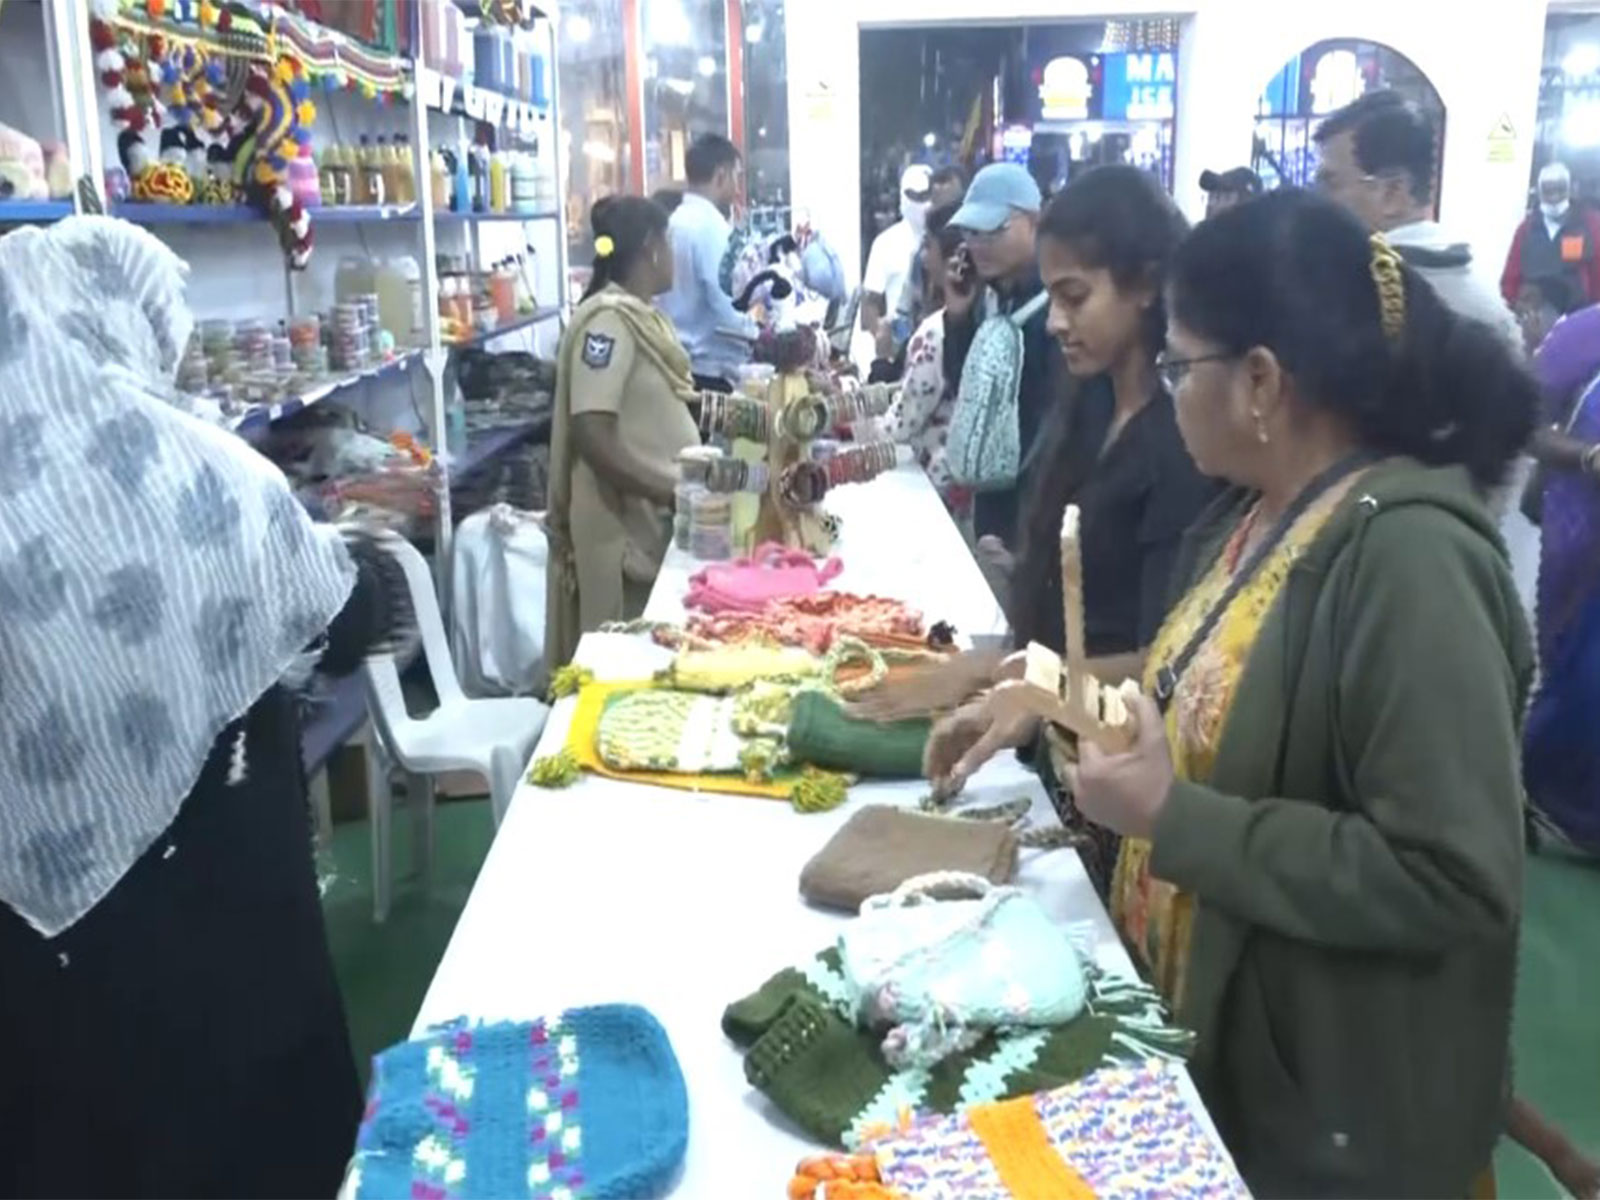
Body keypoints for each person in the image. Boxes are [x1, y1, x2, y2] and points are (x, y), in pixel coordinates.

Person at [1064, 190, 1535, 1197]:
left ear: (1261, 381)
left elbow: (1450, 875)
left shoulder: (1407, 557)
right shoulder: (1260, 517)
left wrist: (1170, 816)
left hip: (1323, 1122)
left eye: (1182, 365)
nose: (1171, 389)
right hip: (1216, 1053)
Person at [0, 216, 410, 1195]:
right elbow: (348, 618)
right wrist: (357, 550)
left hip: (42, 977)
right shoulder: (196, 470)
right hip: (225, 932)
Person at [859, 167, 1216, 891]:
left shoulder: (1177, 447)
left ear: (1145, 286)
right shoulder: (1085, 411)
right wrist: (999, 666)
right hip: (1053, 754)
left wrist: (1013, 674)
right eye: (1051, 297)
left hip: (1115, 781)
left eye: (1074, 297)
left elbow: (1160, 662)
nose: (1054, 321)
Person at [546, 196, 701, 670]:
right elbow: (592, 430)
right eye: (669, 243)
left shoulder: (640, 315)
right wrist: (668, 491)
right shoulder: (609, 323)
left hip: (650, 519)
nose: (673, 255)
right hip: (621, 529)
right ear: (653, 248)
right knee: (622, 666)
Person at [1315, 89, 1522, 352]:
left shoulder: (1369, 298)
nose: (1319, 200)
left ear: (1392, 193)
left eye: (1331, 183)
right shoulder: (1469, 278)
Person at [942, 161, 1059, 543]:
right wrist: (958, 316)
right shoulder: (990, 299)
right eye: (971, 233)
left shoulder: (1058, 308)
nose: (980, 245)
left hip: (1038, 510)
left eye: (995, 230)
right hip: (993, 503)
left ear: (1034, 222)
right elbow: (964, 389)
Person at [876, 201, 972, 526]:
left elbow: (902, 423)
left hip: (935, 485)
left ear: (954, 259)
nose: (923, 255)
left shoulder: (937, 331)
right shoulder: (980, 321)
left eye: (928, 245)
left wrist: (854, 431)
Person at [658, 134, 757, 392]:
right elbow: (726, 305)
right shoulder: (710, 228)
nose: (738, 189)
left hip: (676, 365)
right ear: (721, 176)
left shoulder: (674, 221)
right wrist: (762, 336)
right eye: (737, 177)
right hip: (709, 372)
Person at [1502, 161, 1600, 312]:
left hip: (1577, 315)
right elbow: (1510, 277)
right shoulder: (1526, 229)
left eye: (1560, 190)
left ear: (1570, 189)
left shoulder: (1589, 224)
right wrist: (1518, 304)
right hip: (1536, 317)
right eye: (1548, 191)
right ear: (1540, 192)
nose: (1554, 196)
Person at [859, 163, 932, 353]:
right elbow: (870, 302)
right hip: (898, 344)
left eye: (926, 196)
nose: (922, 203)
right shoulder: (886, 243)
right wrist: (881, 340)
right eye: (915, 196)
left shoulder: (946, 240)